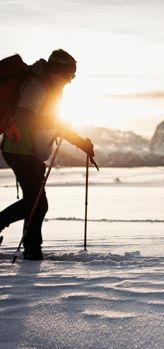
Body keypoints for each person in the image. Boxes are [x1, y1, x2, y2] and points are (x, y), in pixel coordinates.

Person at [0, 49, 95, 260]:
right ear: (56, 71)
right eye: (68, 76)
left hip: (30, 151)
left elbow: (55, 124)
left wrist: (80, 143)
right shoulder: (37, 86)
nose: (70, 81)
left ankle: (32, 250)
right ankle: (33, 251)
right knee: (37, 203)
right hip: (19, 150)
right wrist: (56, 125)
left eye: (73, 76)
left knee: (35, 201)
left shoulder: (51, 89)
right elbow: (26, 119)